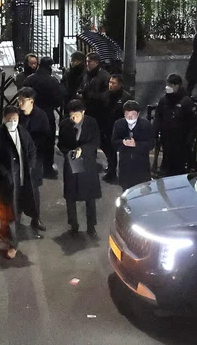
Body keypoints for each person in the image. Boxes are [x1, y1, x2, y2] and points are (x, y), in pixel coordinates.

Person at [0, 106, 39, 259]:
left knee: (16, 211)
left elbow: (32, 150)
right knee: (9, 212)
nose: (13, 122)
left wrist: (30, 165)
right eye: (10, 120)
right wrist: (4, 172)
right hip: (7, 182)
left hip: (22, 180)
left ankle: (8, 237)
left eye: (15, 119)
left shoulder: (23, 133)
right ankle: (13, 242)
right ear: (4, 119)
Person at [57, 99, 102, 237]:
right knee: (70, 195)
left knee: (90, 196)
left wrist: (82, 149)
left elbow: (95, 142)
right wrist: (68, 152)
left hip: (87, 163)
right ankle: (73, 224)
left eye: (76, 115)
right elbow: (61, 144)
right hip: (71, 163)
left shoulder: (91, 123)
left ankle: (91, 225)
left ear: (83, 112)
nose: (74, 119)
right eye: (71, 116)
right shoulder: (65, 124)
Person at [23, 56, 64, 178]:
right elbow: (59, 99)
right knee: (48, 143)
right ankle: (47, 169)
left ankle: (31, 168)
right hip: (47, 114)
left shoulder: (30, 79)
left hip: (30, 114)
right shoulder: (53, 81)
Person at [16, 87, 48, 234]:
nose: (19, 102)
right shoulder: (16, 115)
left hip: (34, 160)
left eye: (22, 100)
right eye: (19, 99)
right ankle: (16, 217)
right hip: (18, 159)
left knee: (34, 190)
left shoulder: (41, 117)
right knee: (17, 189)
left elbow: (45, 138)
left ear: (31, 101)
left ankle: (36, 218)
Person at [154, 73, 197, 177]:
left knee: (178, 164)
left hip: (181, 139)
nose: (169, 87)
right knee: (167, 159)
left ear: (178, 85)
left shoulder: (186, 101)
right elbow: (158, 116)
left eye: (172, 85)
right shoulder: (164, 100)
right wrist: (155, 132)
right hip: (166, 137)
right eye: (168, 84)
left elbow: (193, 122)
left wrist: (189, 139)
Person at [111, 100, 156, 191]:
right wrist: (123, 143)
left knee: (142, 193)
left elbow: (151, 144)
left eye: (133, 115)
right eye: (127, 115)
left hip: (141, 167)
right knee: (126, 192)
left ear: (138, 114)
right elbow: (114, 142)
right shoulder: (119, 124)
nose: (130, 117)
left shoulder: (146, 125)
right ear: (124, 114)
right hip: (125, 166)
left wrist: (136, 144)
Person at [100, 74, 130, 183]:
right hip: (106, 127)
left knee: (119, 152)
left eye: (114, 83)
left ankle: (115, 171)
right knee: (107, 149)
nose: (111, 85)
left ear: (120, 84)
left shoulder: (126, 98)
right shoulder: (104, 96)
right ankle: (111, 168)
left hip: (120, 129)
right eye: (110, 82)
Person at [78, 52, 111, 124]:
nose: (87, 64)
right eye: (86, 61)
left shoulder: (104, 76)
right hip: (87, 108)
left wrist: (92, 96)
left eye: (89, 61)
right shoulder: (86, 74)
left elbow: (107, 94)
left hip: (99, 110)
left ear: (96, 62)